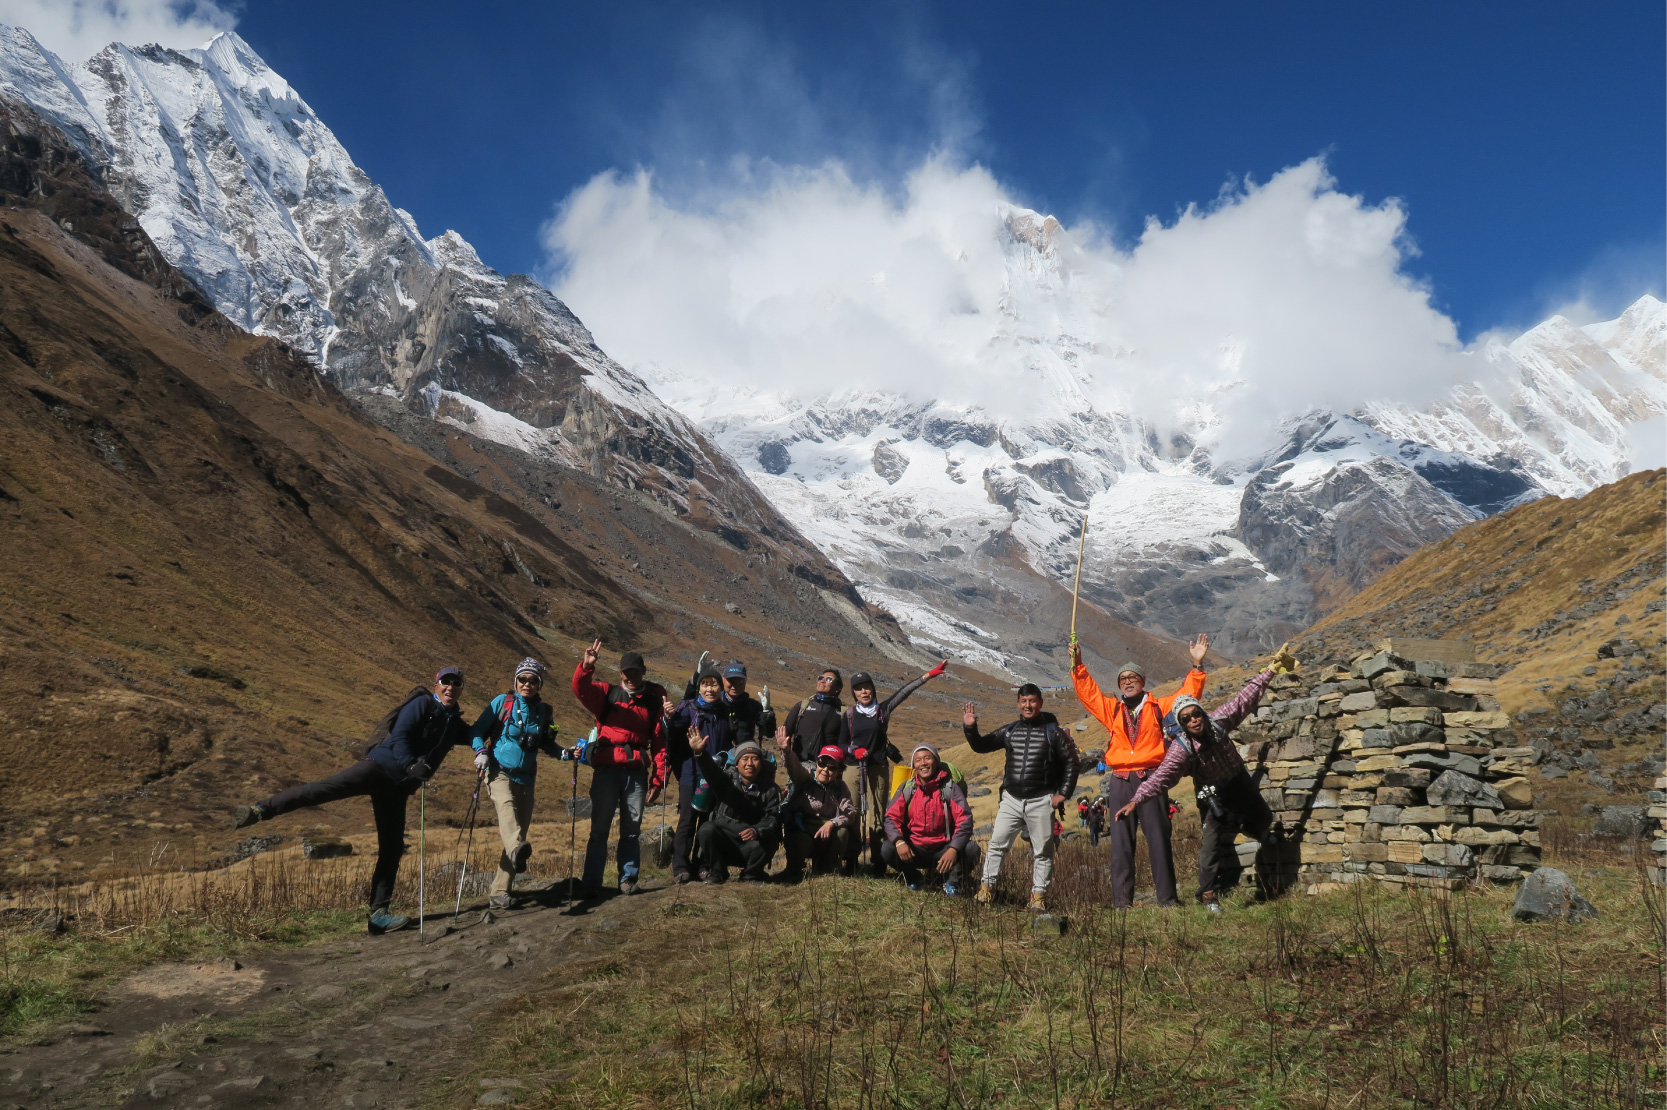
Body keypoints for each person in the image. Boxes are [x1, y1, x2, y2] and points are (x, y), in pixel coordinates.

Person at [231, 667, 471, 934]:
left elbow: (474, 735)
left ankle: (379, 915)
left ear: (461, 688)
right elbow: (401, 735)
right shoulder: (421, 704)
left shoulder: (453, 721)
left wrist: (501, 719)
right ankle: (259, 809)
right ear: (436, 684)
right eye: (445, 682)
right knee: (321, 790)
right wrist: (410, 766)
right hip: (377, 769)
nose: (450, 687)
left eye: (456, 683)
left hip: (398, 790)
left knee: (391, 850)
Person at [1113, 646, 1295, 911]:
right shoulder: (1182, 748)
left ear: (1202, 713)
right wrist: (1136, 800)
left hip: (1241, 784)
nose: (1194, 720)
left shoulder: (1220, 721)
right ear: (1182, 724)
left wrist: (1271, 669)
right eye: (1186, 719)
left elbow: (1246, 696)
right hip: (1213, 794)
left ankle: (1270, 859)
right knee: (1210, 847)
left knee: (1264, 827)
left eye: (1196, 713)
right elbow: (1162, 777)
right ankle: (1208, 894)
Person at [1073, 635, 1210, 909]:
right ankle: (1121, 902)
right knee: (1120, 844)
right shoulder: (1111, 710)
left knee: (1159, 838)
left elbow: (1187, 697)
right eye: (1123, 678)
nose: (1127, 681)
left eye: (1132, 676)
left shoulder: (1159, 706)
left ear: (1143, 681)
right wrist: (1077, 665)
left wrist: (1197, 666)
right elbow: (1089, 694)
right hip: (1121, 780)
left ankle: (1168, 899)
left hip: (1152, 778)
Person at [962, 683, 1079, 911]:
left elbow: (1072, 763)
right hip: (1011, 799)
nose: (1028, 705)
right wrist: (970, 728)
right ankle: (986, 890)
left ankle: (1038, 898)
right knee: (997, 845)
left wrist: (1063, 794)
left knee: (1042, 851)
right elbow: (981, 746)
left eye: (1032, 701)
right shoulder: (1010, 731)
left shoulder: (1054, 732)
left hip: (1041, 800)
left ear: (1040, 703)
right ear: (1018, 703)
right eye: (1024, 701)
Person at [572, 639, 667, 897]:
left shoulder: (653, 701)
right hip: (607, 770)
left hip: (636, 772)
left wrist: (659, 779)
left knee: (632, 830)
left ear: (643, 672)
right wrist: (586, 666)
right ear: (621, 673)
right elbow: (581, 689)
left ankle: (627, 879)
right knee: (599, 829)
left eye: (636, 672)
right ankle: (591, 882)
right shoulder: (607, 693)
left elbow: (659, 744)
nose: (631, 677)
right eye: (627, 672)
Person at [470, 657, 562, 910]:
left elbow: (547, 743)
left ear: (539, 684)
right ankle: (515, 853)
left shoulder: (544, 711)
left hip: (527, 776)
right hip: (498, 770)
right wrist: (480, 752)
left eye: (533, 680)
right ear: (516, 680)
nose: (527, 684)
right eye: (522, 679)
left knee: (517, 835)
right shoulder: (503, 703)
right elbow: (477, 730)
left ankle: (500, 891)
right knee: (508, 814)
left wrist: (566, 753)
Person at [842, 662, 948, 872]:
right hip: (854, 767)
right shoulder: (850, 715)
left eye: (867, 687)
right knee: (851, 811)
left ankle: (878, 860)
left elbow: (904, 692)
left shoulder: (882, 710)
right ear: (854, 692)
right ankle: (851, 860)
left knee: (880, 814)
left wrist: (927, 676)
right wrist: (853, 751)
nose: (864, 691)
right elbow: (841, 743)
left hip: (878, 766)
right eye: (858, 688)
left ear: (873, 688)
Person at [663, 661, 739, 883]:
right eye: (705, 684)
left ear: (720, 687)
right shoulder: (688, 710)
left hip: (715, 775)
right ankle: (680, 866)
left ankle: (702, 865)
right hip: (691, 773)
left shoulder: (726, 712)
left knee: (708, 821)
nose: (710, 689)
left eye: (714, 684)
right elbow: (672, 735)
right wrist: (669, 719)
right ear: (699, 687)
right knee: (688, 819)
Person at [881, 744, 977, 894]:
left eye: (927, 758)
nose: (923, 763)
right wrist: (899, 841)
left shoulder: (950, 788)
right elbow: (891, 817)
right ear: (914, 766)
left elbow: (964, 820)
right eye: (918, 760)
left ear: (936, 762)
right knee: (888, 848)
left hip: (944, 849)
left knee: (972, 849)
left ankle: (952, 883)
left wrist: (953, 848)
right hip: (915, 850)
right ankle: (914, 878)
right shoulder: (908, 788)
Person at [690, 734, 782, 883]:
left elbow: (772, 818)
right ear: (737, 764)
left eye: (755, 759)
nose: (750, 763)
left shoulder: (770, 790)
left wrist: (756, 830)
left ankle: (750, 875)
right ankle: (718, 872)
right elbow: (712, 773)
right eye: (745, 759)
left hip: (750, 847)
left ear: (761, 764)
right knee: (706, 830)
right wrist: (701, 754)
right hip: (724, 844)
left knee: (771, 839)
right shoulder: (726, 783)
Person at [775, 731, 855, 880]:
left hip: (826, 833)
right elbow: (794, 766)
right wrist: (786, 750)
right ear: (817, 763)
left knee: (842, 832)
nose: (825, 770)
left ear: (839, 771)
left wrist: (832, 822)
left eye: (832, 767)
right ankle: (794, 870)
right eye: (822, 764)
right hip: (803, 831)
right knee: (800, 840)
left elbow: (849, 812)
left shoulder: (841, 787)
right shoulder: (805, 778)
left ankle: (827, 869)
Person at [784, 668, 845, 765]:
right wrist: (788, 757)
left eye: (829, 679)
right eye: (821, 678)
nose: (822, 681)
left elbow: (845, 743)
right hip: (799, 765)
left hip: (828, 769)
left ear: (838, 688)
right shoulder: (802, 706)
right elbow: (785, 733)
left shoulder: (843, 713)